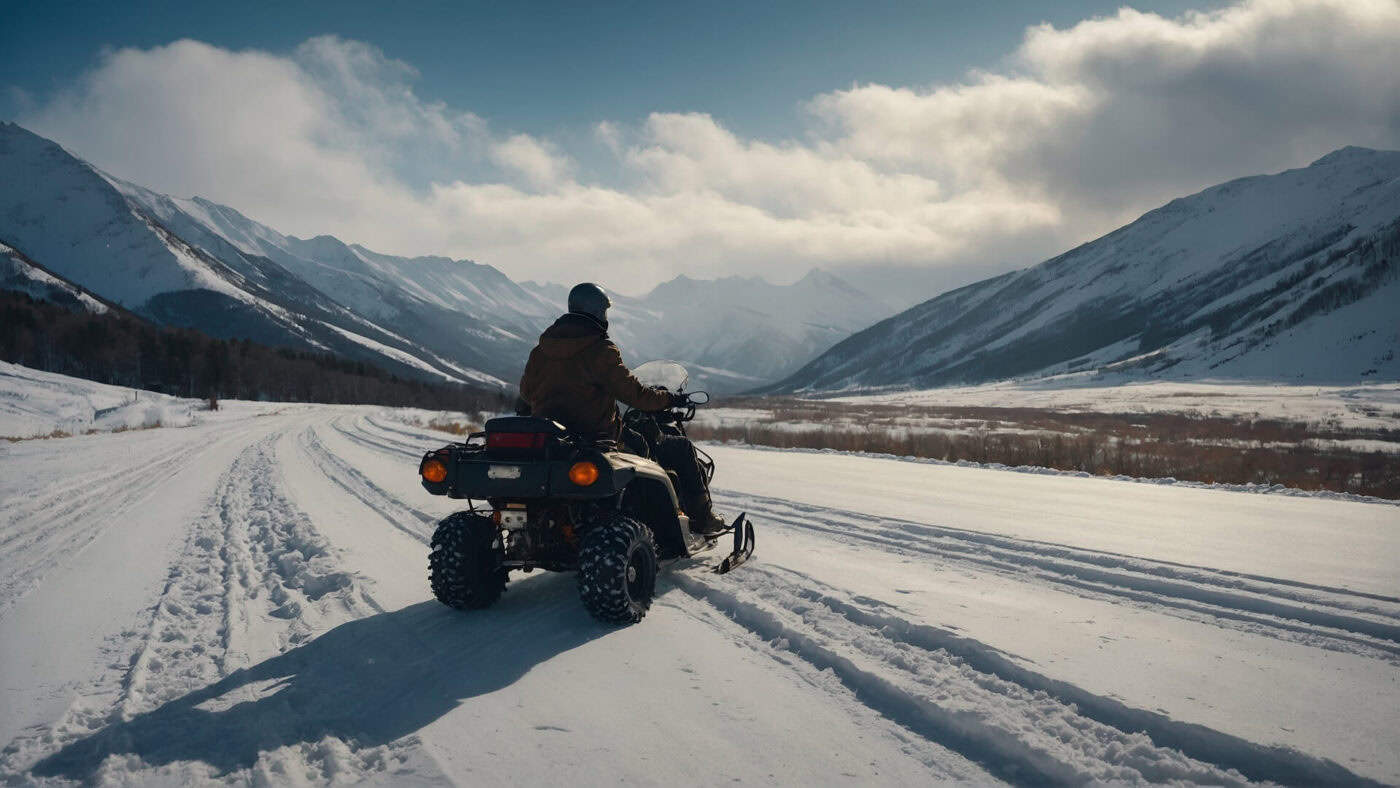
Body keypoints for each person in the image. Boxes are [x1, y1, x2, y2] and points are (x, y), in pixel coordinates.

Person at [516, 282, 725, 534]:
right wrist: (668, 399)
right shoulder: (600, 350)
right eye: (604, 312)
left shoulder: (541, 351)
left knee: (639, 442)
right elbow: (634, 394)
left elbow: (526, 393)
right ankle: (689, 518)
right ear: (596, 312)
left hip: (552, 440)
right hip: (596, 435)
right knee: (664, 447)